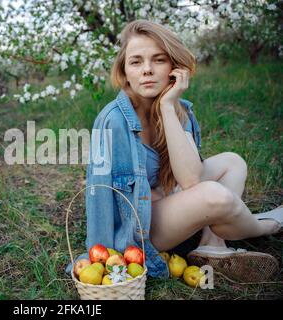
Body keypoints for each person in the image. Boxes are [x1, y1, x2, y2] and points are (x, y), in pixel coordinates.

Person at [66, 20, 282, 282]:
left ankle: (212, 243)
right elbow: (98, 192)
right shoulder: (112, 121)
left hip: (167, 198)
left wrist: (168, 107)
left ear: (174, 67)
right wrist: (103, 259)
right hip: (142, 227)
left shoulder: (179, 109)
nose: (147, 70)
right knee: (217, 196)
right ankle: (265, 225)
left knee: (232, 162)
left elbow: (190, 178)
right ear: (124, 70)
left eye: (158, 60)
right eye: (136, 62)